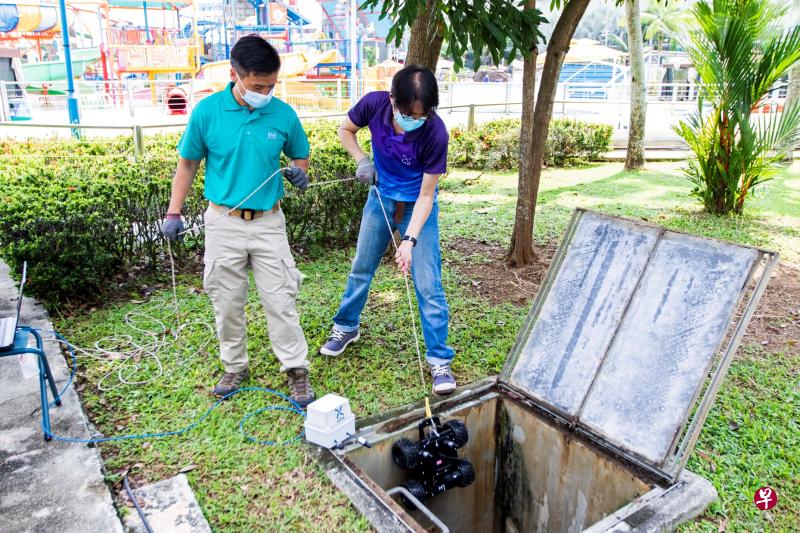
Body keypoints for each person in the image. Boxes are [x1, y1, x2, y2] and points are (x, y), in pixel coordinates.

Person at [160, 35, 315, 407]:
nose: (266, 92)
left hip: (268, 223)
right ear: (235, 74)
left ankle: (296, 369)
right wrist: (173, 212)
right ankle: (235, 366)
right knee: (226, 301)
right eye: (258, 85)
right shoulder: (207, 112)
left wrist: (299, 173)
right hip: (222, 222)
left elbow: (300, 157)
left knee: (281, 300)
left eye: (272, 85)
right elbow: (188, 164)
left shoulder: (283, 114)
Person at [319, 64, 457, 396]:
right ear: (392, 98)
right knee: (362, 268)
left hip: (416, 207)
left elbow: (426, 195)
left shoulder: (435, 132)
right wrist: (362, 160)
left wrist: (408, 239)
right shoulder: (374, 104)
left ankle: (440, 360)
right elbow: (345, 130)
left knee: (429, 284)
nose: (413, 121)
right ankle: (345, 327)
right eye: (407, 113)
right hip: (379, 197)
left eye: (421, 116)